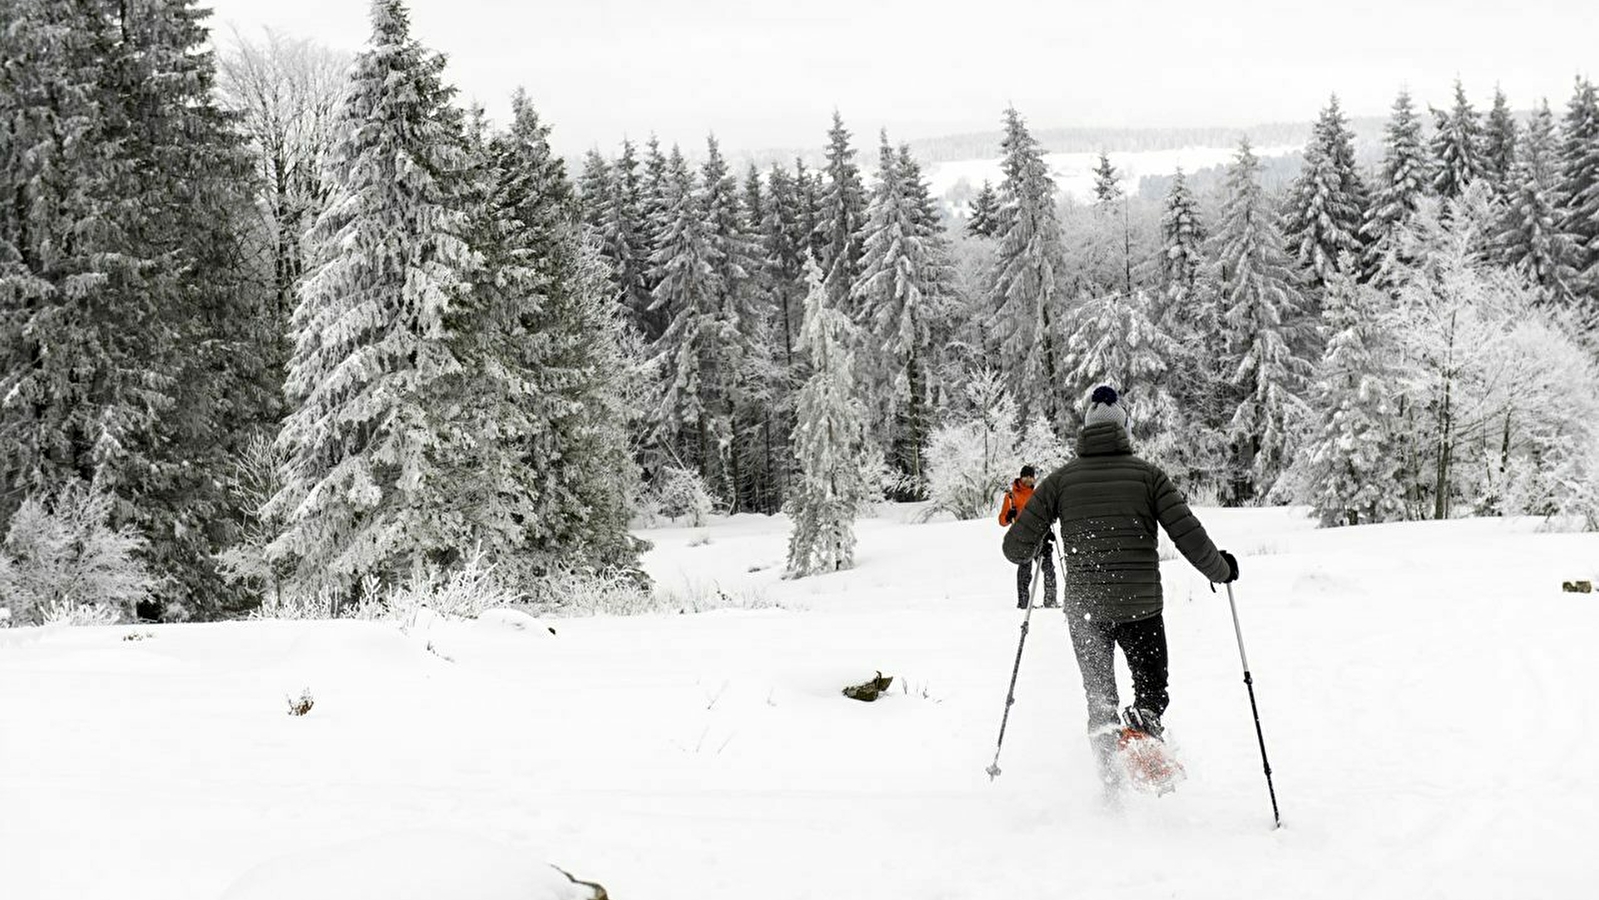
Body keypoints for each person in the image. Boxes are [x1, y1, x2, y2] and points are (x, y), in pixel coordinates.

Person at [1001, 385, 1239, 789]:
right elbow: (1188, 535)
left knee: (1100, 700)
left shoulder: (1059, 483)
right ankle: (1144, 726)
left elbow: (1014, 548)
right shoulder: (1148, 477)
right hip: (1140, 609)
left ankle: (1111, 784)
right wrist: (1221, 570)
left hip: (1086, 613)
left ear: (1086, 430)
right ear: (1124, 428)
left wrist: (1040, 532)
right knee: (1152, 687)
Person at [999, 465, 1057, 609]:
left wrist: (1048, 530)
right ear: (1021, 477)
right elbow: (1002, 521)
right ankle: (1023, 604)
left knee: (1048, 568)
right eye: (1026, 476)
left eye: (1031, 477)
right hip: (1023, 539)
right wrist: (1008, 516)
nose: (1029, 479)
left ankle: (1051, 601)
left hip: (1040, 537)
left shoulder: (1038, 494)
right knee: (1025, 573)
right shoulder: (1011, 496)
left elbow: (1044, 515)